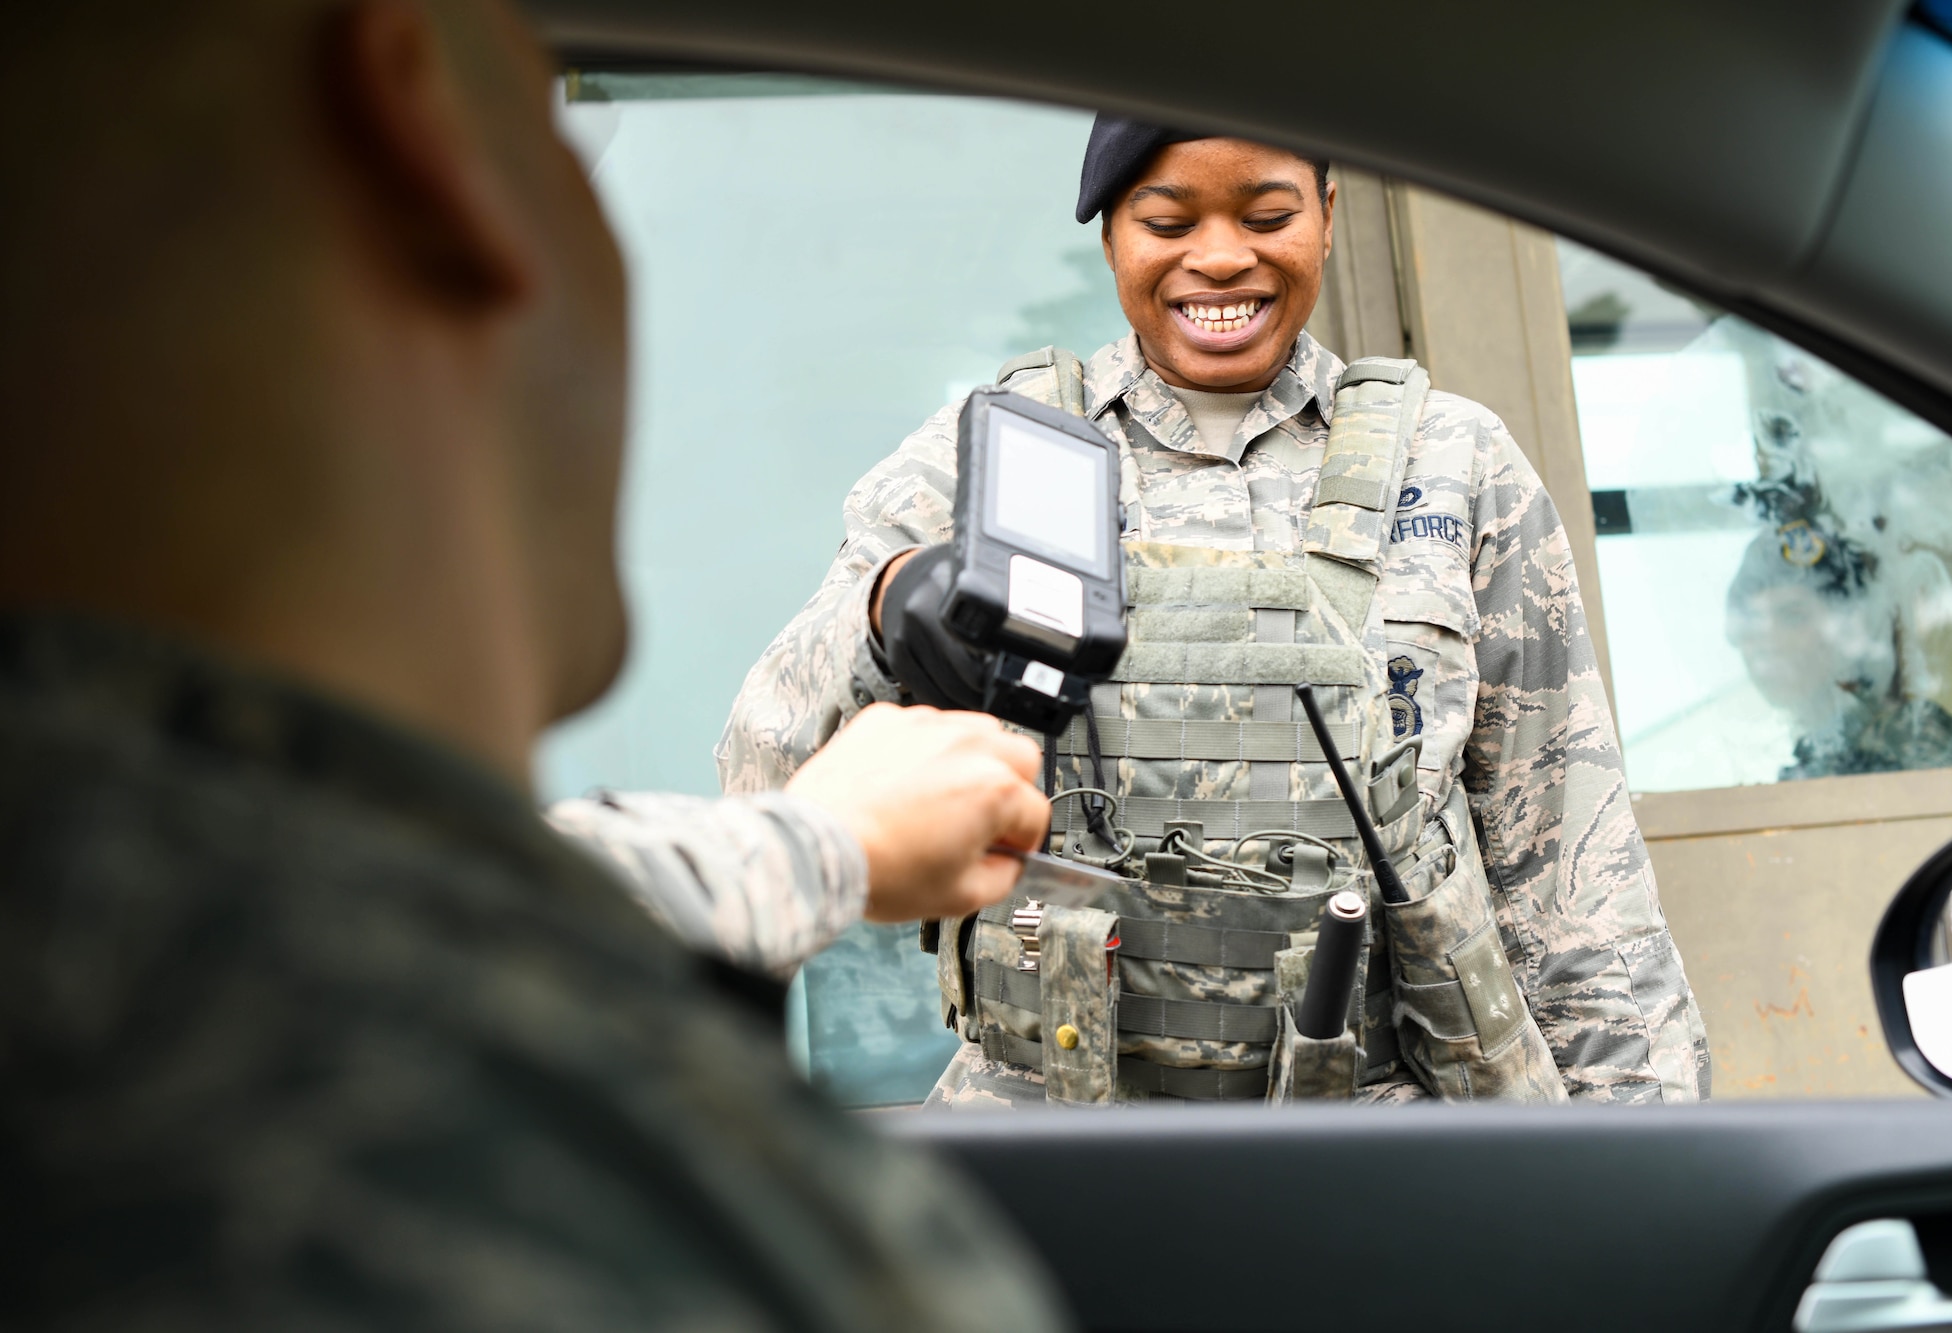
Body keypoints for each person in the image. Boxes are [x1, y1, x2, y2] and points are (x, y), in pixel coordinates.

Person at [0, 1, 1067, 1328]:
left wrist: (823, 842)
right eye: (564, 111)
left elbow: (502, 880)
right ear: (433, 139)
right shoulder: (656, 1199)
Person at [720, 118, 1712, 1108]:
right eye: (1166, 220)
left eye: (1267, 213)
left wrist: (1655, 1151)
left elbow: (1569, 868)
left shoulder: (1451, 463)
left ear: (1326, 215)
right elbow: (764, 770)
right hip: (1057, 1125)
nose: (1220, 257)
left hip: (1380, 1131)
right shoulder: (993, 461)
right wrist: (886, 613)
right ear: (1110, 233)